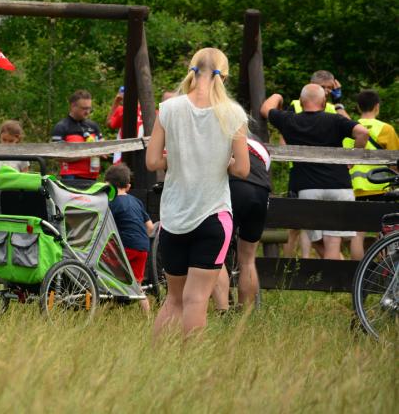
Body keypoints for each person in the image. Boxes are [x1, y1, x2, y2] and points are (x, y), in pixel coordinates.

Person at [146, 47, 250, 337]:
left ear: (191, 72)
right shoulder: (233, 113)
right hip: (213, 215)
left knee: (174, 299)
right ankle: (190, 358)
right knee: (197, 299)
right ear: (223, 76)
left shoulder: (169, 109)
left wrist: (174, 161)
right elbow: (243, 169)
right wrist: (223, 163)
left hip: (174, 217)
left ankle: (155, 357)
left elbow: (152, 161)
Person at [261, 85, 369, 260]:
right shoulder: (335, 120)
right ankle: (333, 275)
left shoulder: (290, 120)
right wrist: (352, 158)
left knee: (317, 241)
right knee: (333, 242)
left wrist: (278, 96)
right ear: (324, 102)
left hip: (308, 187)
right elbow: (362, 133)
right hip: (339, 185)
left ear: (301, 102)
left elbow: (265, 109)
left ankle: (327, 274)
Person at [212, 131, 271, 311]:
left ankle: (223, 311)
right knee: (248, 259)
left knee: (215, 253)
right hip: (261, 192)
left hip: (234, 186)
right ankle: (245, 313)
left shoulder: (219, 136)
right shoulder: (259, 144)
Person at [341, 89, 399, 257]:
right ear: (377, 106)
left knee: (357, 234)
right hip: (379, 187)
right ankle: (382, 270)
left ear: (359, 107)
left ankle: (358, 269)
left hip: (354, 187)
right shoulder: (385, 129)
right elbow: (395, 160)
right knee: (384, 232)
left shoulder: (349, 128)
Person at [104, 163, 154, 313]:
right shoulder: (137, 201)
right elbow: (150, 227)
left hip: (125, 247)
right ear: (128, 186)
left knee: (104, 272)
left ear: (108, 186)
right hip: (143, 247)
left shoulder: (112, 203)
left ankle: (106, 306)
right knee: (137, 285)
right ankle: (148, 317)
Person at [51, 90, 103, 184]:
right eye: (84, 108)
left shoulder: (93, 126)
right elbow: (57, 156)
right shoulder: (61, 127)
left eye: (89, 108)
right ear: (73, 106)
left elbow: (104, 147)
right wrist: (86, 154)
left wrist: (103, 151)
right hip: (71, 176)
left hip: (92, 176)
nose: (87, 112)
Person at [106, 86, 143, 164]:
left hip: (123, 157)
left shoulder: (122, 110)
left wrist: (116, 102)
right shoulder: (151, 111)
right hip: (144, 157)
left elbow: (109, 123)